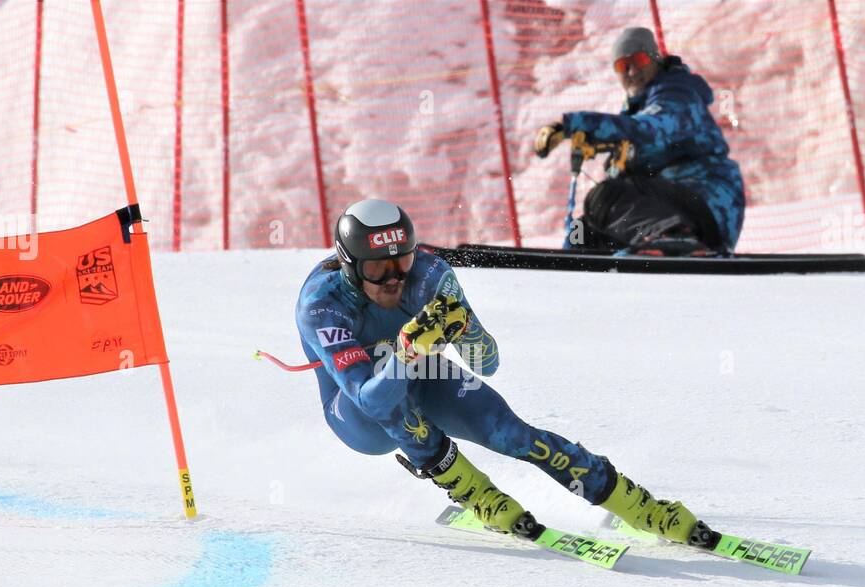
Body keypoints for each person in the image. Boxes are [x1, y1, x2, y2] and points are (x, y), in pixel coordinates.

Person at [295, 197, 716, 547]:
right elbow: (369, 398)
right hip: (358, 413)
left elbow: (487, 364)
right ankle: (474, 491)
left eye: (401, 262)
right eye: (377, 270)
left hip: (418, 374)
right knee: (394, 407)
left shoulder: (430, 275)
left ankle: (634, 503)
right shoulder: (322, 304)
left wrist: (464, 328)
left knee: (513, 433)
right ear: (350, 265)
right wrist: (406, 353)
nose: (393, 280)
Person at [533, 27, 745, 255]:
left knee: (604, 197)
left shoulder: (678, 94)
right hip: (675, 208)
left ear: (654, 58)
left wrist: (573, 125)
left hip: (709, 203)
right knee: (585, 226)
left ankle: (676, 238)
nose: (632, 71)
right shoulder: (637, 111)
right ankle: (573, 266)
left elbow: (650, 129)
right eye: (623, 66)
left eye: (639, 60)